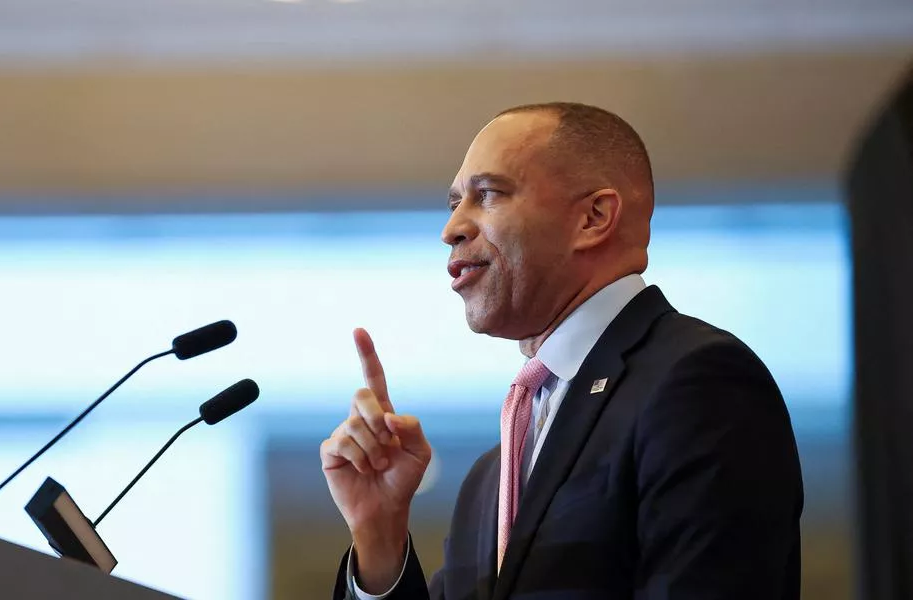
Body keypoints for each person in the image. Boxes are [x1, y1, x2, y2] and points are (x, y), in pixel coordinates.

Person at [320, 102, 804, 600]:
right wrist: (379, 538)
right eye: (453, 204)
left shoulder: (698, 384)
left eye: (487, 195)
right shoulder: (489, 479)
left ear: (593, 218)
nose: (452, 229)